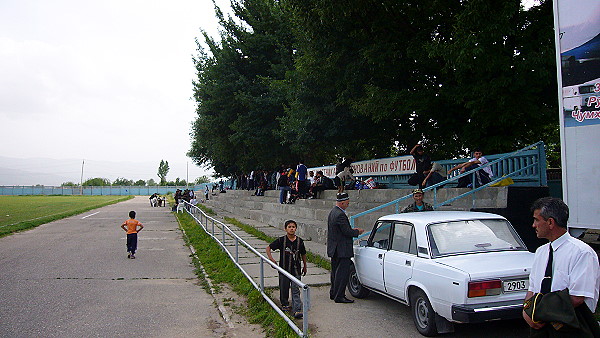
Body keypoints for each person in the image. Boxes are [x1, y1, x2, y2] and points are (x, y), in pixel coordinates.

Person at [522, 197, 600, 335]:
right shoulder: (541, 252)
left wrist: (537, 312)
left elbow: (577, 298)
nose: (533, 225)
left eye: (537, 220)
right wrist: (526, 312)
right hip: (541, 329)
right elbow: (533, 289)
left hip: (571, 328)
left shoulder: (582, 253)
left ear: (550, 222)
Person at [327, 192, 364, 303]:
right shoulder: (340, 215)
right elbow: (346, 231)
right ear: (342, 203)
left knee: (335, 272)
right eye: (347, 203)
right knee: (342, 274)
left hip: (335, 248)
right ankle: (339, 296)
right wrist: (357, 231)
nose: (348, 205)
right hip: (342, 249)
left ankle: (334, 292)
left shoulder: (333, 212)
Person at [266, 220, 307, 319]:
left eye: (293, 227)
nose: (291, 228)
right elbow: (268, 248)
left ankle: (297, 310)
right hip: (284, 269)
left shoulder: (300, 241)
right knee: (284, 288)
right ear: (285, 229)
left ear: (296, 229)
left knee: (295, 289)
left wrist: (305, 266)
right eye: (289, 227)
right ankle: (284, 305)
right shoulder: (281, 241)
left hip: (296, 269)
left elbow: (303, 254)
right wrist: (271, 260)